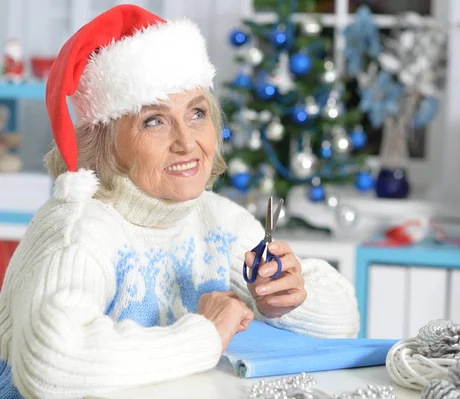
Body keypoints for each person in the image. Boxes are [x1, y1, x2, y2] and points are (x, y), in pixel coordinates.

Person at [0, 5, 359, 399]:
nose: (187, 143)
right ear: (103, 142)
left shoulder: (218, 220)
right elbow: (51, 365)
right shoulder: (80, 230)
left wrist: (286, 300)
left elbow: (345, 319)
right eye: (154, 120)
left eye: (197, 114)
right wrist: (205, 335)